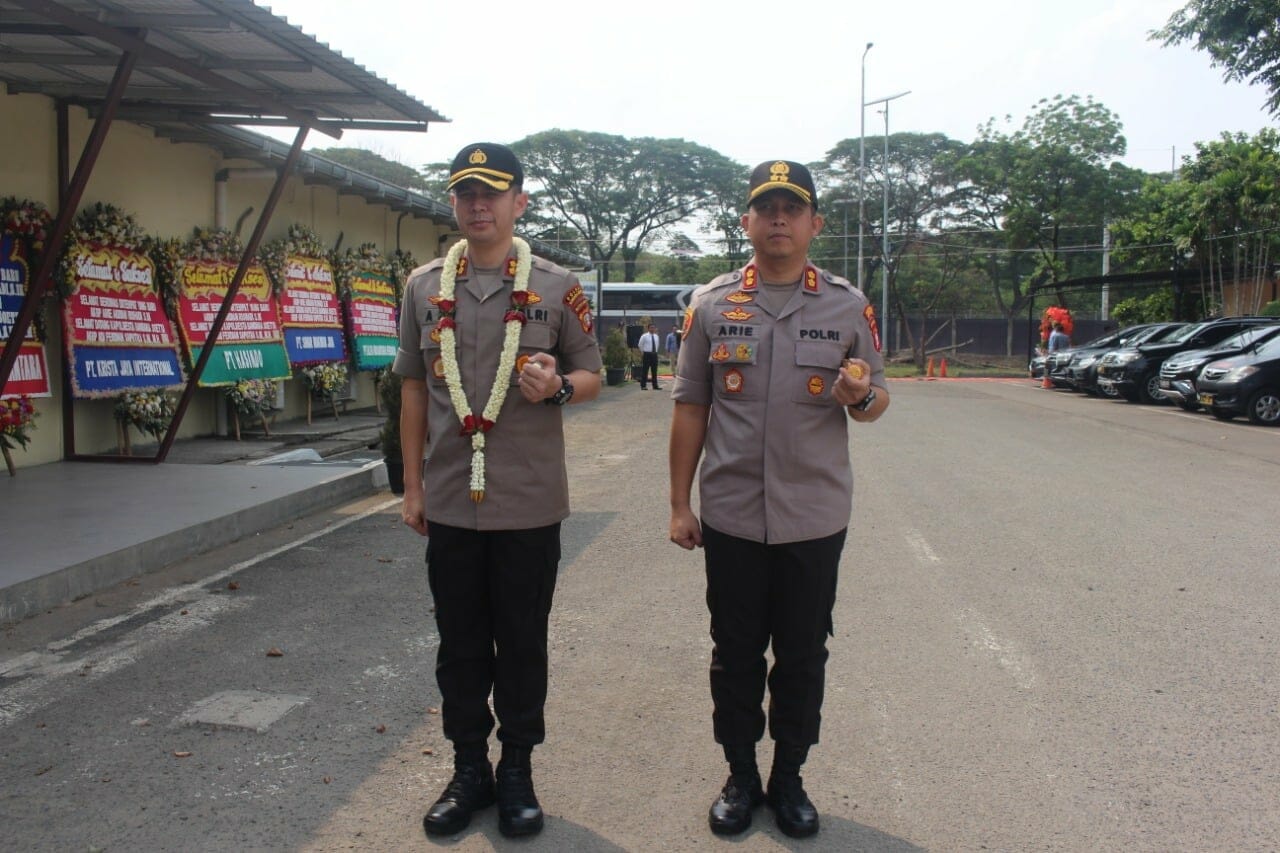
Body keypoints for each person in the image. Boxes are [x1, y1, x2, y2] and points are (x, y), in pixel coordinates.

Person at [668, 160, 889, 839]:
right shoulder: (710, 305)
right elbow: (690, 407)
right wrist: (680, 502)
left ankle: (788, 776)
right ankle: (740, 773)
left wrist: (861, 397)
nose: (779, 219)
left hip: (813, 519)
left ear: (815, 223)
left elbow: (878, 398)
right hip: (732, 517)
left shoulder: (849, 306)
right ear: (746, 222)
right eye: (766, 207)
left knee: (801, 654)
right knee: (734, 652)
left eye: (792, 208)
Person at [393, 142, 602, 839]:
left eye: (492, 192)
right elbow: (414, 391)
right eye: (465, 194)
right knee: (458, 644)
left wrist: (560, 388)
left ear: (520, 201)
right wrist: (412, 487)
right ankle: (467, 767)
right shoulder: (425, 286)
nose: (478, 205)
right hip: (452, 497)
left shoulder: (555, 285)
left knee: (520, 640)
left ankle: (516, 768)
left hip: (529, 499)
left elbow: (593, 372)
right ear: (453, 203)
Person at [638, 322, 661, 389]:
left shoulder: (656, 336)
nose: (652, 329)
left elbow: (657, 345)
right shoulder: (644, 336)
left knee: (654, 370)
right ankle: (643, 385)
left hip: (654, 354)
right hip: (647, 354)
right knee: (645, 370)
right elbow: (640, 345)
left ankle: (655, 385)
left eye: (653, 328)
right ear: (648, 328)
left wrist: (655, 352)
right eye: (651, 327)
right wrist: (643, 352)